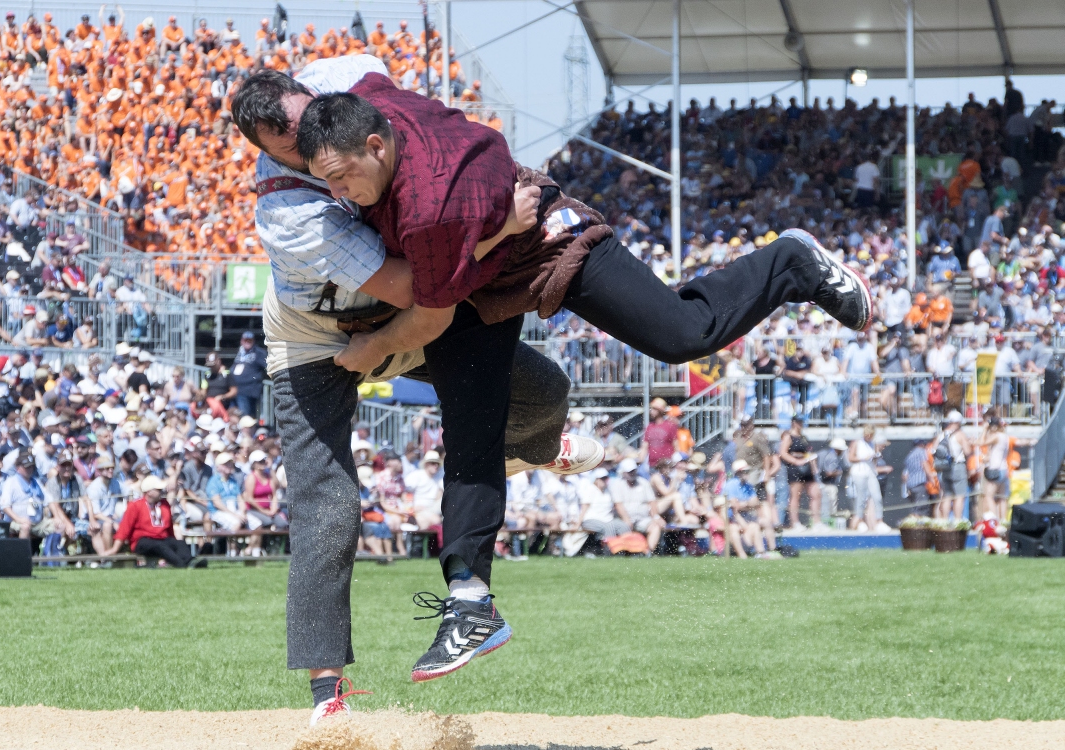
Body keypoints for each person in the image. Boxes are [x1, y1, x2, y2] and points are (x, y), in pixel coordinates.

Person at [292, 70, 869, 678]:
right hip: (476, 279)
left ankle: (791, 262)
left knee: (681, 335)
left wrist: (372, 351)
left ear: (376, 145)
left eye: (343, 177)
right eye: (326, 179)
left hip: (544, 246)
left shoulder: (430, 206)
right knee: (470, 433)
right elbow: (363, 78)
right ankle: (470, 603)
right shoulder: (370, 103)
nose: (338, 193)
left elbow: (428, 315)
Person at [230, 63, 602, 713]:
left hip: (400, 323)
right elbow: (413, 285)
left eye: (311, 118)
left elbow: (428, 140)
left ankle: (533, 449)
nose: (313, 145)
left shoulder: (343, 80)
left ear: (313, 92)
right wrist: (500, 229)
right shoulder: (289, 210)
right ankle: (327, 694)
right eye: (292, 147)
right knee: (329, 508)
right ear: (268, 154)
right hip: (319, 341)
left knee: (543, 389)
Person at [114, 475, 201, 568]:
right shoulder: (135, 505)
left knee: (179, 543)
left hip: (161, 539)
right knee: (159, 546)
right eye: (158, 490)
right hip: (142, 541)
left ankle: (191, 562)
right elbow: (124, 529)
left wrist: (173, 540)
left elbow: (169, 528)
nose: (161, 491)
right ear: (149, 492)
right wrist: (115, 549)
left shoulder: (165, 505)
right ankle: (181, 564)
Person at [779, 415, 819, 530]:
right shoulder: (788, 436)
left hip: (807, 467)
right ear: (794, 423)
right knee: (796, 495)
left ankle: (816, 521)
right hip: (795, 468)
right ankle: (795, 522)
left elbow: (808, 452)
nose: (801, 424)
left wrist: (813, 466)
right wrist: (796, 461)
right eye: (799, 422)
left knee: (815, 493)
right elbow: (783, 453)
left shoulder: (803, 437)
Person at [848, 426, 883, 532]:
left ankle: (879, 521)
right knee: (861, 498)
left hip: (870, 472)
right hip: (859, 472)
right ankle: (860, 521)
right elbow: (851, 458)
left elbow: (875, 459)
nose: (869, 437)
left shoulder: (873, 443)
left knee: (877, 496)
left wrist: (876, 456)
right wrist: (864, 458)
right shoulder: (857, 443)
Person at [231, 331, 269, 417]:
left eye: (250, 340)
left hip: (249, 390)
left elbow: (267, 366)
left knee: (246, 416)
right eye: (245, 340)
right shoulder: (240, 352)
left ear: (253, 341)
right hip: (236, 389)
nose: (247, 342)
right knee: (236, 415)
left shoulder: (258, 352)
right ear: (241, 341)